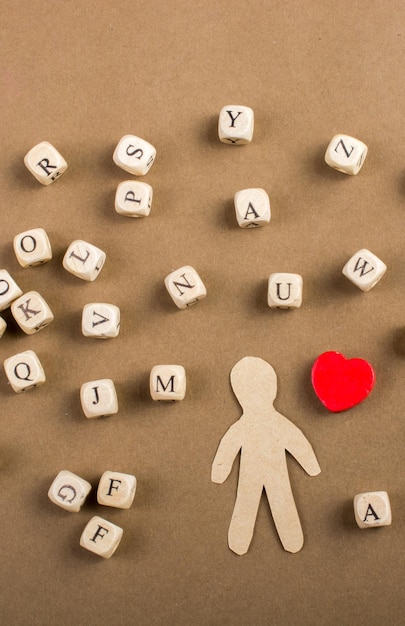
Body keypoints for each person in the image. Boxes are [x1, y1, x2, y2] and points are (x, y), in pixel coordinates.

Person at [211, 356, 321, 555]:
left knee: (272, 501)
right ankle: (246, 542)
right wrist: (311, 467)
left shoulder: (252, 426)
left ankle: (287, 540)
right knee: (255, 502)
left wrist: (220, 472)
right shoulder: (264, 424)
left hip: (268, 474)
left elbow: (297, 443)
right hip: (254, 475)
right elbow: (298, 442)